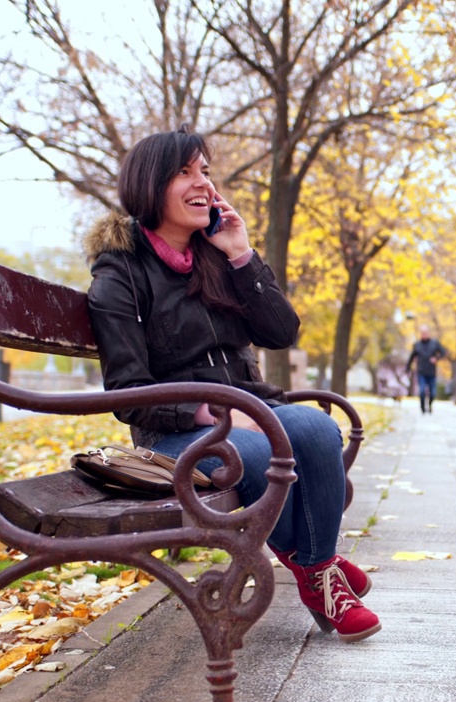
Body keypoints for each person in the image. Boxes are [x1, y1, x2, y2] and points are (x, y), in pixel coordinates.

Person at [84, 127, 380, 643]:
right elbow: (128, 392)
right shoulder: (121, 272)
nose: (202, 183)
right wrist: (212, 412)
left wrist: (242, 255)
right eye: (184, 172)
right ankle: (323, 577)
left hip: (249, 409)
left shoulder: (217, 258)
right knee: (254, 447)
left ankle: (318, 565)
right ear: (149, 184)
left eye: (204, 171)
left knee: (315, 429)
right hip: (173, 433)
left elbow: (281, 332)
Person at [404, 325, 448, 414]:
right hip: (421, 371)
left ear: (428, 333)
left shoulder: (435, 343)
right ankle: (423, 408)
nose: (424, 334)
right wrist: (408, 368)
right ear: (420, 334)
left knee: (432, 393)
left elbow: (443, 352)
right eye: (422, 333)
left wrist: (436, 358)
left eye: (425, 333)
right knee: (422, 391)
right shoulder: (417, 345)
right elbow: (411, 357)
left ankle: (430, 405)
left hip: (431, 372)